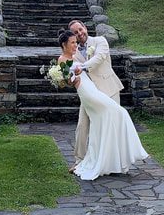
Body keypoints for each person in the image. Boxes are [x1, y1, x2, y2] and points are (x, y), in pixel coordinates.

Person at [57, 29, 148, 181]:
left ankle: (109, 161)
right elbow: (68, 81)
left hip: (93, 89)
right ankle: (126, 154)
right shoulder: (62, 59)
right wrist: (73, 79)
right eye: (72, 43)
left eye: (75, 42)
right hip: (87, 92)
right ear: (64, 44)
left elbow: (93, 62)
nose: (75, 45)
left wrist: (79, 71)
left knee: (107, 121)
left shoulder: (81, 52)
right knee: (120, 113)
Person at [68, 20, 124, 169]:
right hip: (90, 94)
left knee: (112, 126)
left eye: (81, 29)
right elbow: (73, 73)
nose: (80, 34)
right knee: (82, 125)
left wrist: (82, 67)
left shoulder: (100, 41)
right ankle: (79, 160)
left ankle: (113, 163)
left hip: (109, 89)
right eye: (75, 33)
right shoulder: (75, 53)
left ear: (85, 28)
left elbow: (98, 59)